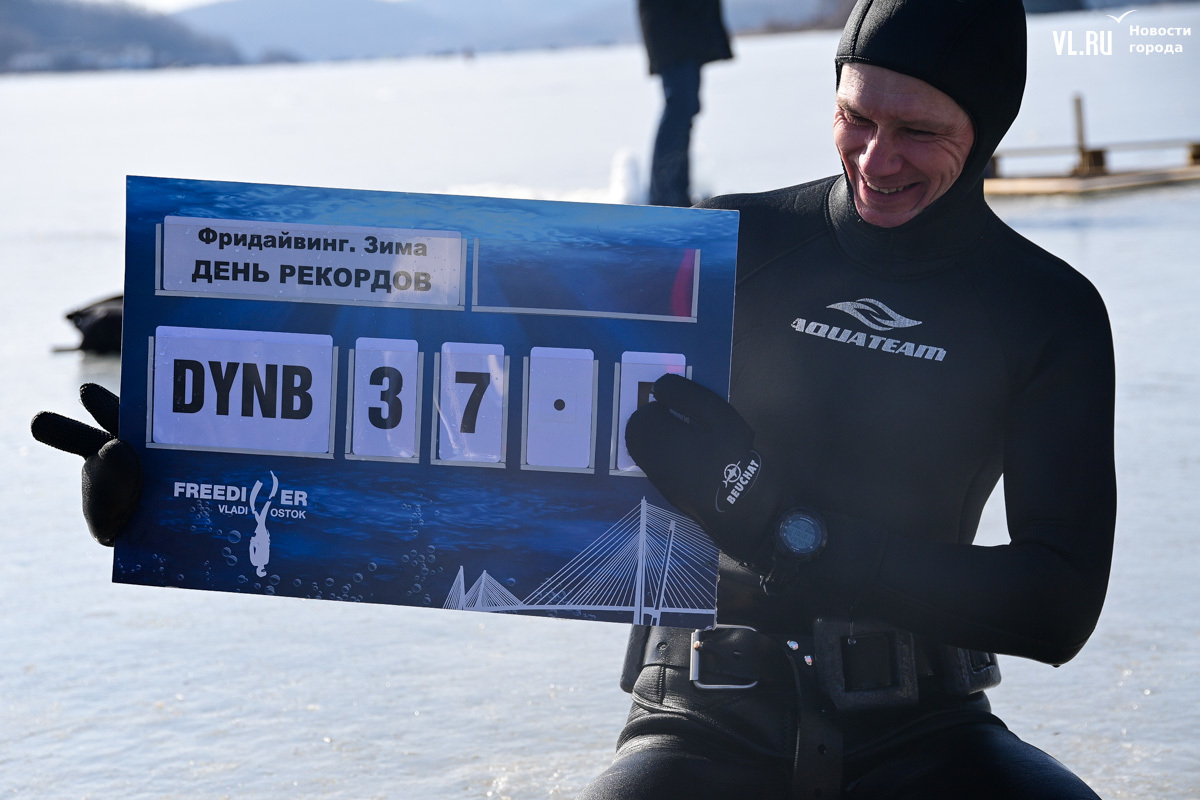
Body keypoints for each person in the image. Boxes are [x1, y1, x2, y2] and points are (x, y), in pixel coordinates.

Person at [580, 0, 1116, 797]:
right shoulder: (728, 246)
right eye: (855, 116)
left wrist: (780, 528)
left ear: (987, 129)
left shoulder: (1044, 310)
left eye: (918, 131)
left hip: (925, 724)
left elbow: (1058, 604)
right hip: (699, 713)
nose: (876, 158)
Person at [638, 0, 732, 207]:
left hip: (682, 35)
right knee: (679, 110)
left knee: (684, 109)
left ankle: (674, 191)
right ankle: (665, 194)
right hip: (673, 35)